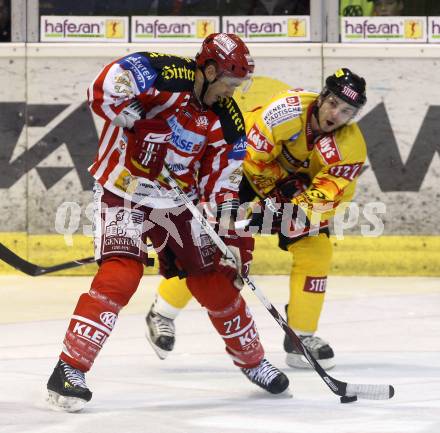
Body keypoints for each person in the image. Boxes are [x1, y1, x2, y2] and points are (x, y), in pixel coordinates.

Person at [46, 33, 290, 412]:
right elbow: (103, 88)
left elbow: (223, 186)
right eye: (227, 82)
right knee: (120, 275)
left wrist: (236, 243)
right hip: (122, 189)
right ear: (207, 70)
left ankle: (254, 361)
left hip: (178, 201)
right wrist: (137, 121)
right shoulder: (163, 73)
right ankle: (68, 370)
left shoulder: (227, 120)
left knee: (216, 282)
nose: (230, 92)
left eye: (238, 85)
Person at [145, 68, 367, 371]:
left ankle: (300, 338)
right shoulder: (285, 112)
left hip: (293, 195)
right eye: (333, 104)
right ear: (323, 96)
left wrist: (296, 209)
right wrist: (273, 197)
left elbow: (331, 193)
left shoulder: (350, 145)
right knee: (215, 246)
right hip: (241, 171)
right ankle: (162, 312)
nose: (336, 114)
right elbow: (252, 158)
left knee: (316, 250)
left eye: (346, 111)